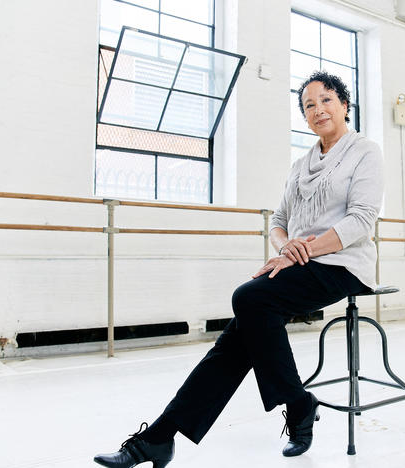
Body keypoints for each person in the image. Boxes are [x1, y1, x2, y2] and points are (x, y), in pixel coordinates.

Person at [93, 70, 384, 468]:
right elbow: (278, 221)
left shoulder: (365, 151)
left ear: (345, 105)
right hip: (298, 263)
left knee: (249, 297)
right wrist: (286, 247)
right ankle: (160, 436)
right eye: (309, 106)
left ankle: (295, 404)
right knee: (237, 340)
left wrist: (302, 251)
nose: (318, 110)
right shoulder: (301, 164)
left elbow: (361, 220)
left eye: (326, 101)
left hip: (343, 265)